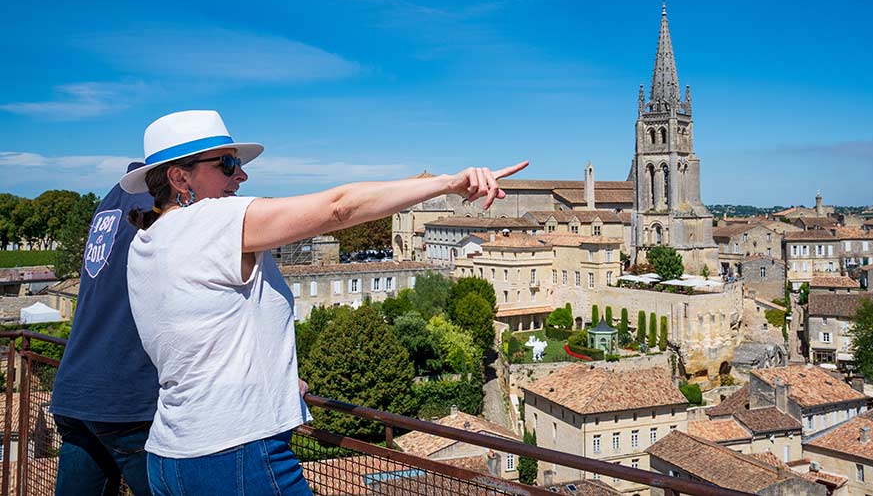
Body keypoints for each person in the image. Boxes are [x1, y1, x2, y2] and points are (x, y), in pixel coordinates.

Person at [120, 110, 527, 496]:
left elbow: (195, 340)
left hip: (169, 456)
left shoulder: (146, 241)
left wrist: (274, 384)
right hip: (236, 453)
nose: (241, 174)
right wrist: (449, 183)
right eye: (226, 164)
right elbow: (340, 207)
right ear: (179, 177)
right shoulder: (212, 221)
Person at [49, 163, 158, 496]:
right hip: (126, 398)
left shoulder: (111, 201)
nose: (237, 175)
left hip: (76, 392)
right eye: (227, 165)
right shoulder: (156, 203)